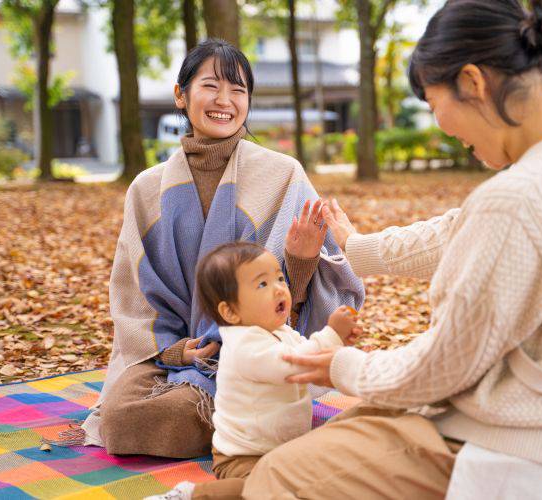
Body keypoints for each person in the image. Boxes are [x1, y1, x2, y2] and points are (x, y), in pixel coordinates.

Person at [239, 1, 542, 499]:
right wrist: (356, 246)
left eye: (434, 104)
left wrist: (342, 365)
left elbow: (441, 368)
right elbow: (458, 233)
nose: (442, 125)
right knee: (355, 423)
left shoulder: (514, 199)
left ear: (472, 81)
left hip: (523, 449)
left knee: (283, 476)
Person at [77, 39, 364, 458]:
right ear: (181, 94)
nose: (225, 101)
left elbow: (304, 296)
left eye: (238, 90)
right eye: (211, 86)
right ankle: (245, 419)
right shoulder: (146, 188)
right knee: (119, 419)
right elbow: (132, 289)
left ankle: (239, 412)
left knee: (164, 417)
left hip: (255, 349)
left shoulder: (282, 174)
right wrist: (176, 350)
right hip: (171, 353)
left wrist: (301, 260)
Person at [146, 242, 359, 500]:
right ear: (231, 312)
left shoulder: (280, 331)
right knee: (262, 492)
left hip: (282, 450)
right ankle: (192, 495)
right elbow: (293, 363)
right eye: (262, 284)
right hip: (244, 456)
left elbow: (311, 354)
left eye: (279, 278)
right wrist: (331, 334)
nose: (279, 288)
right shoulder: (243, 345)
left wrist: (337, 345)